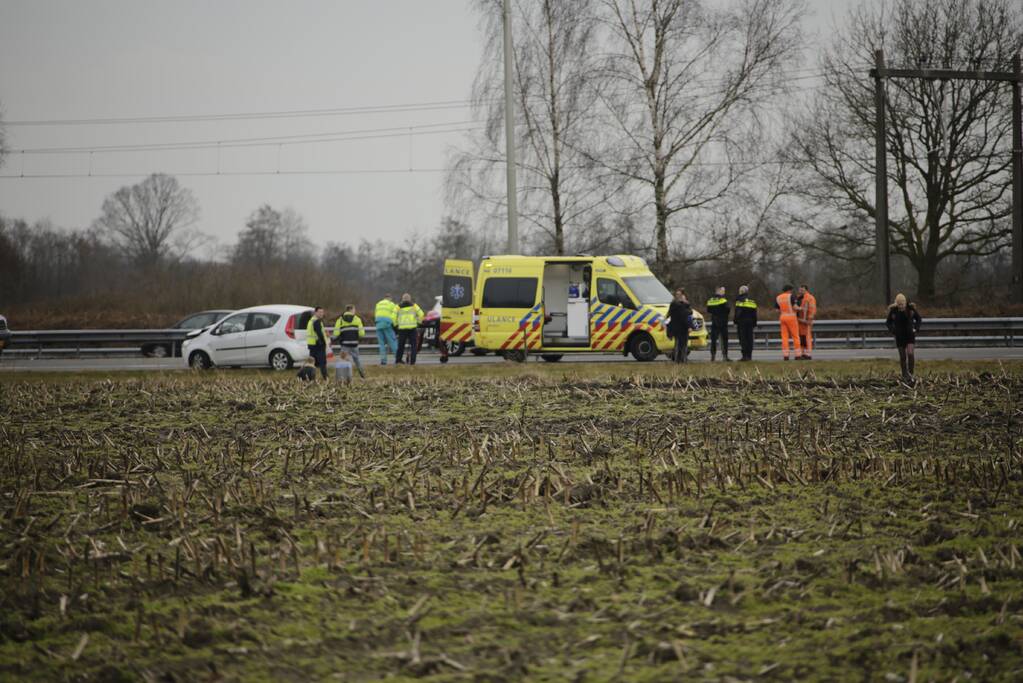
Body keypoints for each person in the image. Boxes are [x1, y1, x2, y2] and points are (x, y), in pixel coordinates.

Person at [886, 293, 922, 384]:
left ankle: (911, 374)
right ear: (897, 304)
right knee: (902, 357)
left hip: (910, 335)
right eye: (899, 305)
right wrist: (893, 330)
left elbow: (919, 319)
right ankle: (904, 375)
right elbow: (888, 322)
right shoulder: (893, 311)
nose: (901, 306)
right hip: (899, 337)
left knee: (910, 354)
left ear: (905, 303)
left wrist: (916, 329)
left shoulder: (911, 310)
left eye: (902, 304)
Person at [333, 304, 366, 378]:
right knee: (357, 360)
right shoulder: (357, 319)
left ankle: (342, 376)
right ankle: (362, 375)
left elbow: (336, 333)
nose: (355, 311)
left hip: (345, 344)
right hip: (354, 343)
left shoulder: (340, 320)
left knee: (342, 360)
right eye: (354, 310)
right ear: (351, 310)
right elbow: (362, 334)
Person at [395, 293, 425, 365]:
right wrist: (418, 322)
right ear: (410, 299)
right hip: (412, 329)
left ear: (402, 299)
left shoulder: (398, 307)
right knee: (414, 346)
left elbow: (392, 317)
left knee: (401, 346)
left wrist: (396, 325)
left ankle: (398, 360)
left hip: (402, 329)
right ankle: (412, 361)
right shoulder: (414, 306)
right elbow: (421, 314)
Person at [774, 285, 802, 361]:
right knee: (795, 336)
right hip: (791, 317)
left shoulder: (778, 297)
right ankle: (798, 355)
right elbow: (795, 307)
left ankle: (786, 355)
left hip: (782, 317)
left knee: (784, 337)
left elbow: (777, 310)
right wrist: (800, 309)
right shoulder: (791, 296)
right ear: (789, 290)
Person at [705, 286, 731, 361]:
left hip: (714, 322)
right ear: (719, 292)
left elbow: (708, 310)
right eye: (722, 291)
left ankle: (713, 356)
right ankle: (725, 356)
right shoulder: (723, 300)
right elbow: (728, 309)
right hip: (723, 322)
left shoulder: (711, 300)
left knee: (713, 340)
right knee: (724, 340)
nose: (723, 292)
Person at [666, 288, 692, 364]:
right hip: (679, 327)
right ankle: (680, 360)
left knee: (681, 344)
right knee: (680, 345)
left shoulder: (680, 304)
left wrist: (686, 304)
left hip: (681, 326)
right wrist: (686, 303)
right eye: (677, 295)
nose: (678, 296)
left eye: (680, 295)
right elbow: (686, 313)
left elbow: (690, 312)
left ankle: (681, 360)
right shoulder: (676, 304)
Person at [733, 285, 758, 361]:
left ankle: (744, 356)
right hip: (750, 322)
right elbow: (754, 313)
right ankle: (749, 356)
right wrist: (754, 323)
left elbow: (738, 312)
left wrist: (735, 321)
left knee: (743, 339)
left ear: (741, 291)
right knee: (749, 339)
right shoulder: (752, 300)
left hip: (742, 322)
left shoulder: (739, 300)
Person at [374, 294, 399, 365]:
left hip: (378, 324)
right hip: (387, 324)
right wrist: (395, 326)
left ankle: (383, 360)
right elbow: (394, 315)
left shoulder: (378, 304)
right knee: (393, 342)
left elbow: (376, 314)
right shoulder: (391, 304)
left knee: (381, 344)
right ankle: (397, 359)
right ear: (390, 298)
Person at [305, 306, 330, 379]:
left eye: (322, 312)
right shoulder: (317, 321)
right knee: (322, 363)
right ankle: (326, 378)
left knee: (311, 363)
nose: (321, 314)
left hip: (312, 345)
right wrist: (324, 342)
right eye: (319, 312)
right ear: (315, 312)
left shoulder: (311, 320)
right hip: (318, 345)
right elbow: (319, 333)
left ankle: (309, 377)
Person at [797, 284, 817, 360]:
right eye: (800, 290)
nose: (801, 291)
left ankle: (808, 354)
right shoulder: (799, 298)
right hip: (800, 321)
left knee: (807, 337)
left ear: (806, 290)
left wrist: (810, 318)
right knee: (802, 338)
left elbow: (812, 308)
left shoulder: (810, 298)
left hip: (806, 321)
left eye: (802, 290)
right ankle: (803, 353)